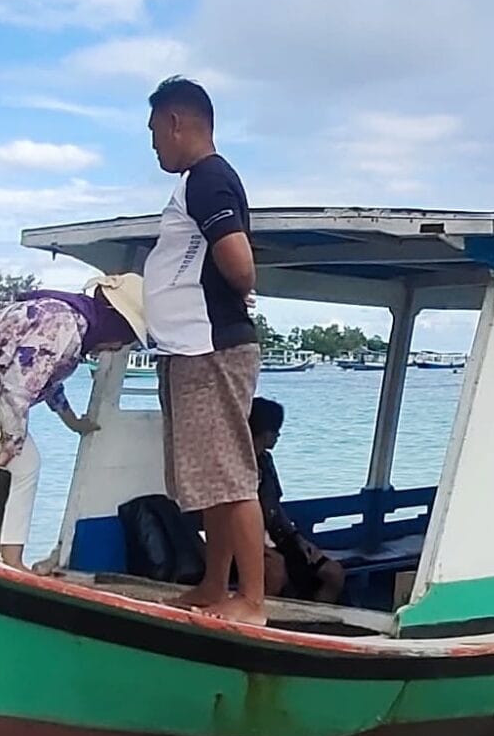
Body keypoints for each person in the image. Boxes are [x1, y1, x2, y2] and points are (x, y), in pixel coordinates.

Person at [0, 275, 148, 565]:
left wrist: (70, 420)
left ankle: (12, 561)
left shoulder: (72, 318)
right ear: (115, 321)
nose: (120, 346)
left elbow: (42, 377)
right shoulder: (63, 325)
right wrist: (12, 443)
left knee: (26, 466)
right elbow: (17, 387)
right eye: (126, 337)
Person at [142, 75, 267, 625]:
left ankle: (254, 602)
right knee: (209, 478)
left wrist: (235, 290)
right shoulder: (199, 182)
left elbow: (239, 263)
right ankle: (215, 584)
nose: (153, 145)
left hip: (208, 347)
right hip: (188, 351)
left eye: (153, 132)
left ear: (175, 122)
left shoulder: (208, 179)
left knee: (230, 473)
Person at [251, 398, 345, 604]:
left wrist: (298, 539)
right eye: (275, 430)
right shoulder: (239, 464)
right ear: (264, 431)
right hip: (247, 542)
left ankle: (312, 620)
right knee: (276, 573)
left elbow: (275, 507)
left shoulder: (266, 462)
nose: (278, 436)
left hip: (280, 538)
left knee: (334, 573)